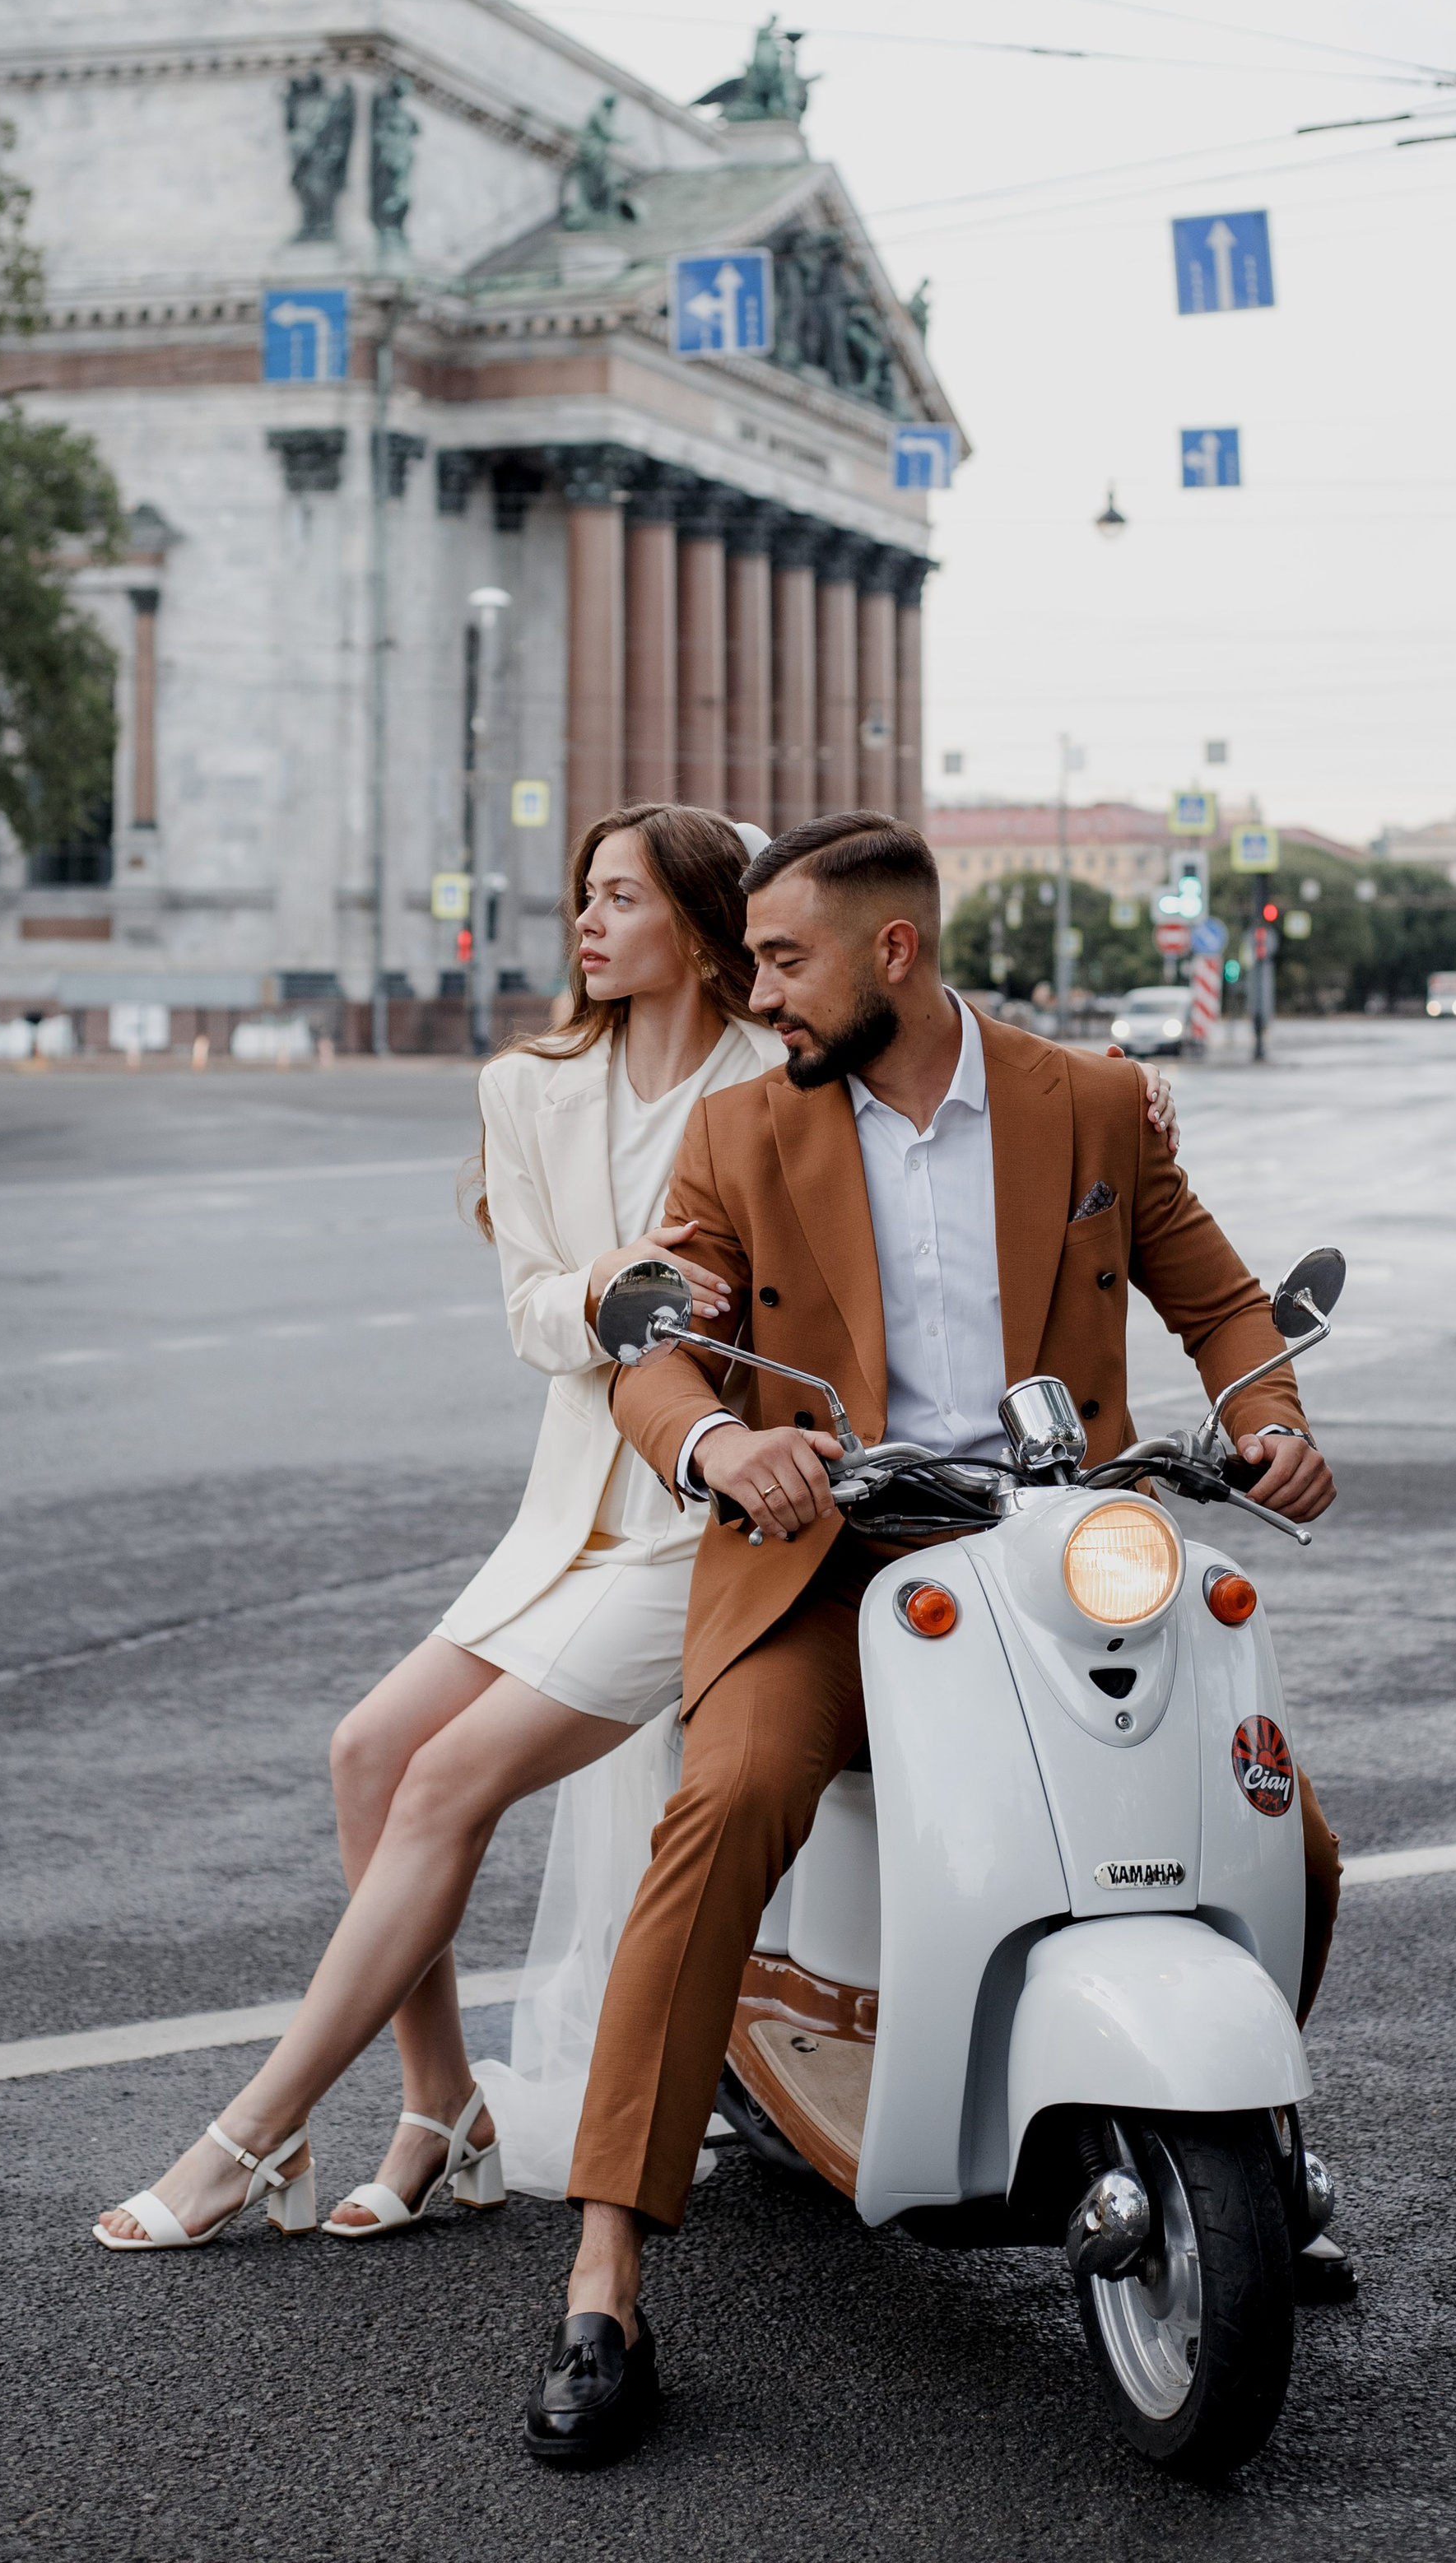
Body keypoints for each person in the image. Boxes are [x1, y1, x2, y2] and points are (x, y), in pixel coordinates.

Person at [521, 812, 1341, 2465]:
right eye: (749, 958)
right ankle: (604, 2279)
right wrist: (718, 1446)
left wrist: (1268, 1414)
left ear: (893, 953)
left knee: (1290, 1839)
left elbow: (1220, 1299)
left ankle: (1241, 2159)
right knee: (728, 1802)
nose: (758, 993)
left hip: (1053, 1554)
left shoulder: (1091, 1102)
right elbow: (658, 1346)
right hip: (828, 1557)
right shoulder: (743, 1134)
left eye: (782, 957)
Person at [92, 802, 785, 2251]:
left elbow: (936, 1046)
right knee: (365, 1752)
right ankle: (443, 2104)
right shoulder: (526, 1087)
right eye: (582, 897)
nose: (587, 923)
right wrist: (614, 1286)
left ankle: (252, 2133)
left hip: (710, 1522)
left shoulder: (780, 1073)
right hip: (569, 1511)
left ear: (705, 927)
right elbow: (533, 1308)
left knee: (443, 1781)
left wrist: (1131, 1087)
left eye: (621, 899)